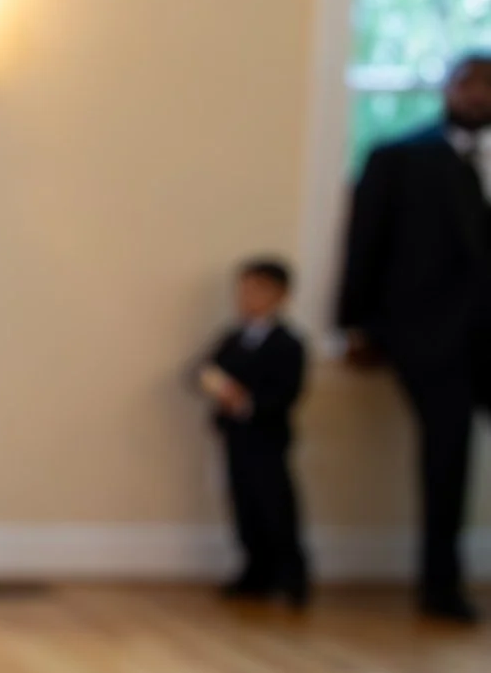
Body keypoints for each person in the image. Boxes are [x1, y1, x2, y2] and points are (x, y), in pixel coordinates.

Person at [337, 52, 491, 623]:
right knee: (446, 457)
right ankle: (439, 585)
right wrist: (357, 325)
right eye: (467, 83)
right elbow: (364, 243)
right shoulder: (400, 157)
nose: (478, 94)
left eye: (488, 85)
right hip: (431, 337)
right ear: (447, 89)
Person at [197, 258, 308, 607]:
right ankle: (255, 573)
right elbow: (204, 371)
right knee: (243, 504)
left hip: (267, 436)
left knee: (275, 506)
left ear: (280, 295)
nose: (247, 298)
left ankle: (291, 577)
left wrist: (247, 402)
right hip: (236, 435)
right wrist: (219, 389)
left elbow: (287, 393)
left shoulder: (288, 343)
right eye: (243, 290)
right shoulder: (233, 338)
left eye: (257, 290)